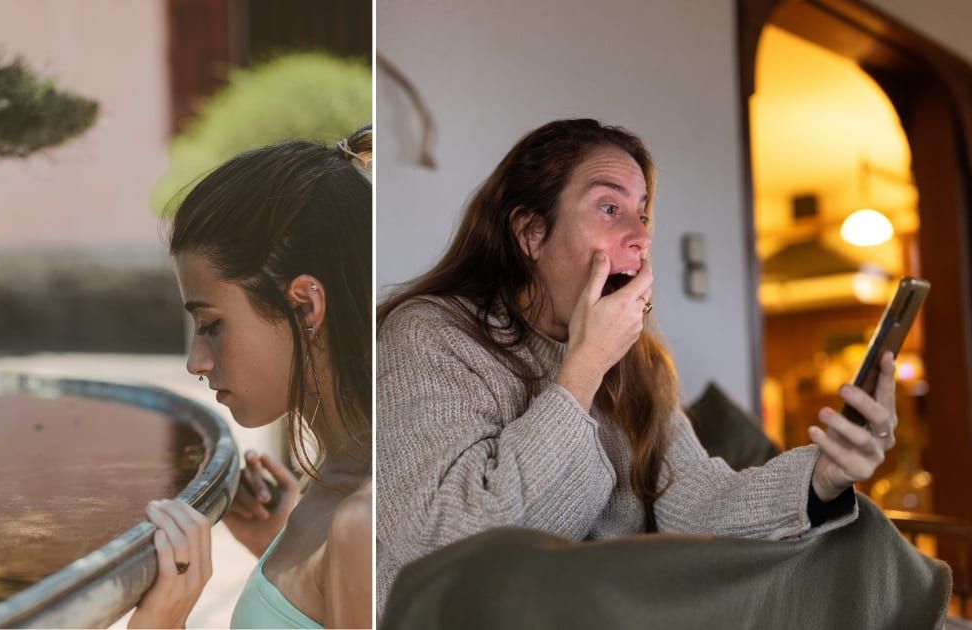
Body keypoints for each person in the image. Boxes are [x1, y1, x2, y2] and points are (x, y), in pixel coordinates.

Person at [375, 119, 900, 605]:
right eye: (610, 209)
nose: (641, 236)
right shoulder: (429, 336)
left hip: (616, 611)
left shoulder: (639, 361)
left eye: (642, 213)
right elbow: (447, 552)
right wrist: (582, 370)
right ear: (530, 233)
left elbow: (696, 502)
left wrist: (821, 478)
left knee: (862, 535)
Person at [128, 125, 373, 629]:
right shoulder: (337, 492)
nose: (196, 362)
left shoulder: (358, 522)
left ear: (304, 305)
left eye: (211, 325)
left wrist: (160, 622)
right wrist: (286, 550)